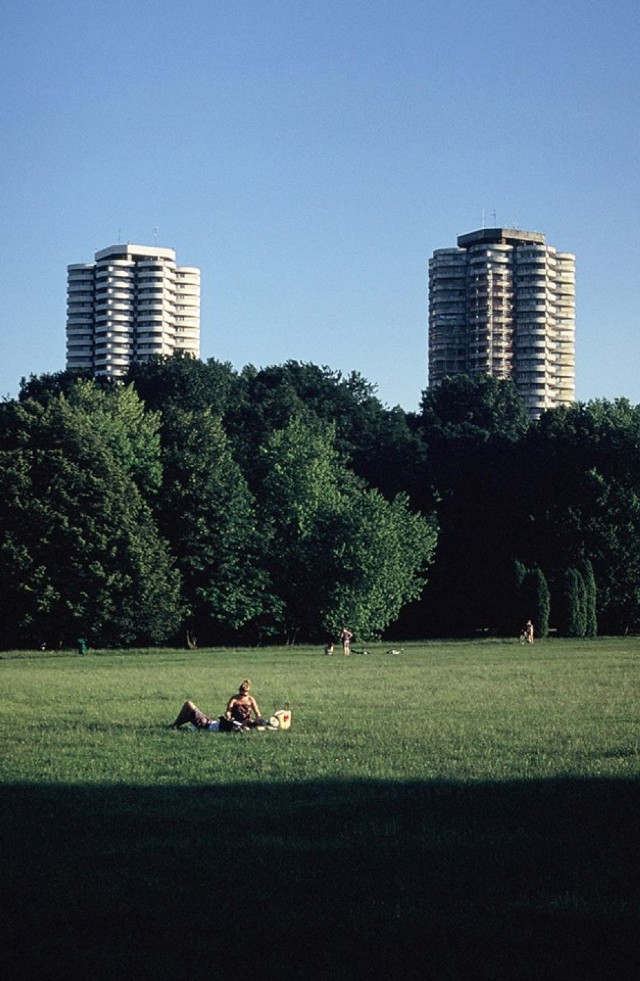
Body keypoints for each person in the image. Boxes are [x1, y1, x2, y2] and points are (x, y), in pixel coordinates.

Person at [170, 678, 264, 732]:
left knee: (189, 706)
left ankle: (174, 726)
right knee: (189, 709)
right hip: (212, 723)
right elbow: (229, 711)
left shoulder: (251, 700)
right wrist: (228, 715)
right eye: (241, 694)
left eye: (245, 695)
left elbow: (257, 713)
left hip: (207, 725)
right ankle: (175, 725)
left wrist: (258, 718)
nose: (243, 696)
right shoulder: (234, 699)